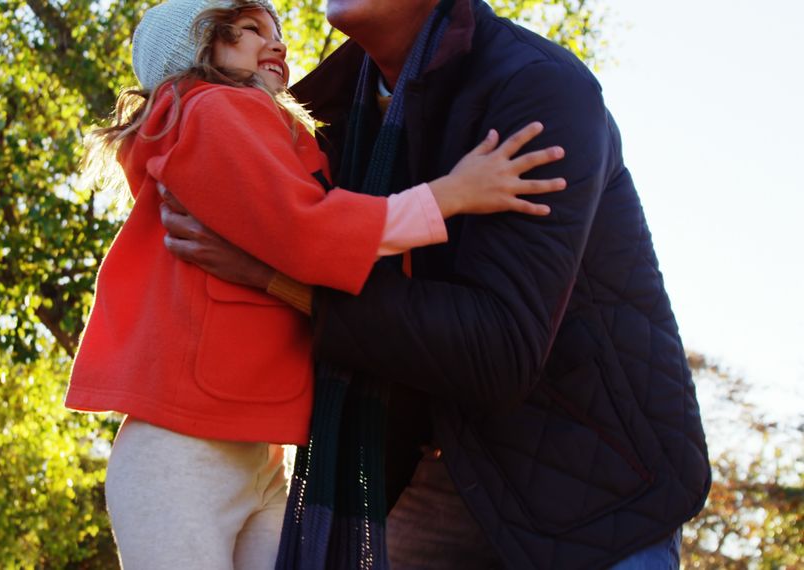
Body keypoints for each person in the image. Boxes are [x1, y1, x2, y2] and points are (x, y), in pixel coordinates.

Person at [157, 0, 712, 568]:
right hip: (417, 468)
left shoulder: (538, 88)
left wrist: (280, 279)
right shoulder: (324, 119)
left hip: (589, 490)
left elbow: (498, 350)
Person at [63, 0, 567, 568]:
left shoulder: (265, 129)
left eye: (276, 32)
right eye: (249, 31)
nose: (275, 43)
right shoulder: (209, 109)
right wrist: (452, 195)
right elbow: (309, 231)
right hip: (181, 453)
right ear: (195, 52)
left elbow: (335, 231)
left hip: (260, 456)